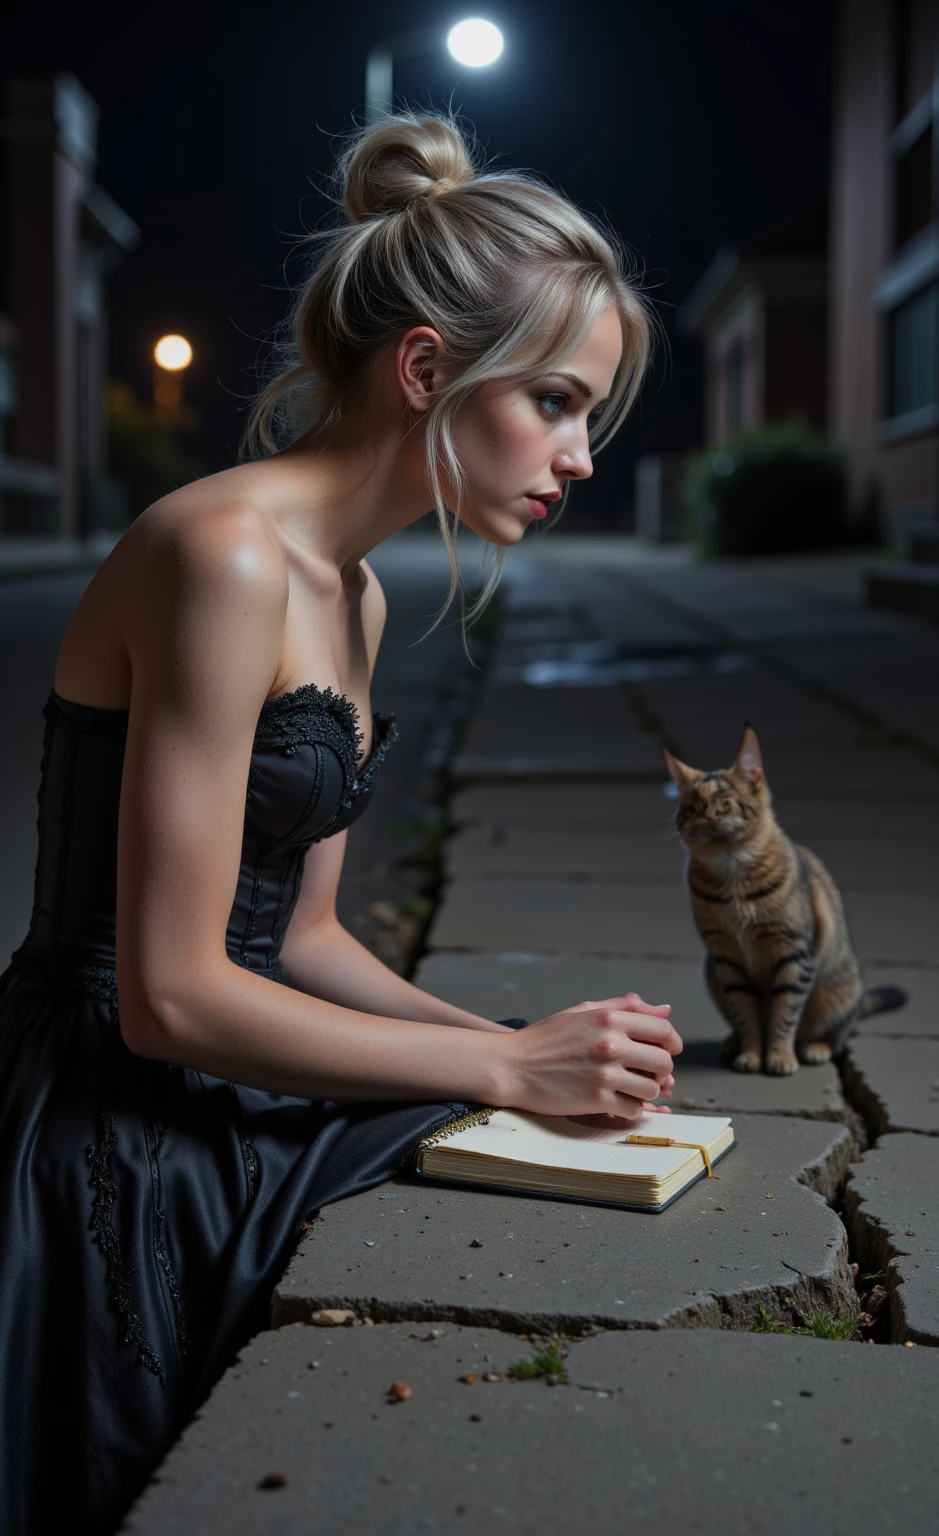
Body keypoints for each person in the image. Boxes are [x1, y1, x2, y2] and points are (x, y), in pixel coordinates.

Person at [0, 111, 681, 1535]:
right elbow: (170, 994)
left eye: (591, 417)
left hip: (227, 1060)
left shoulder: (354, 593)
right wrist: (502, 1073)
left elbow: (303, 937)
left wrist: (522, 1054)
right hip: (105, 1108)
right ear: (426, 367)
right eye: (554, 402)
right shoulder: (220, 552)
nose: (581, 456)